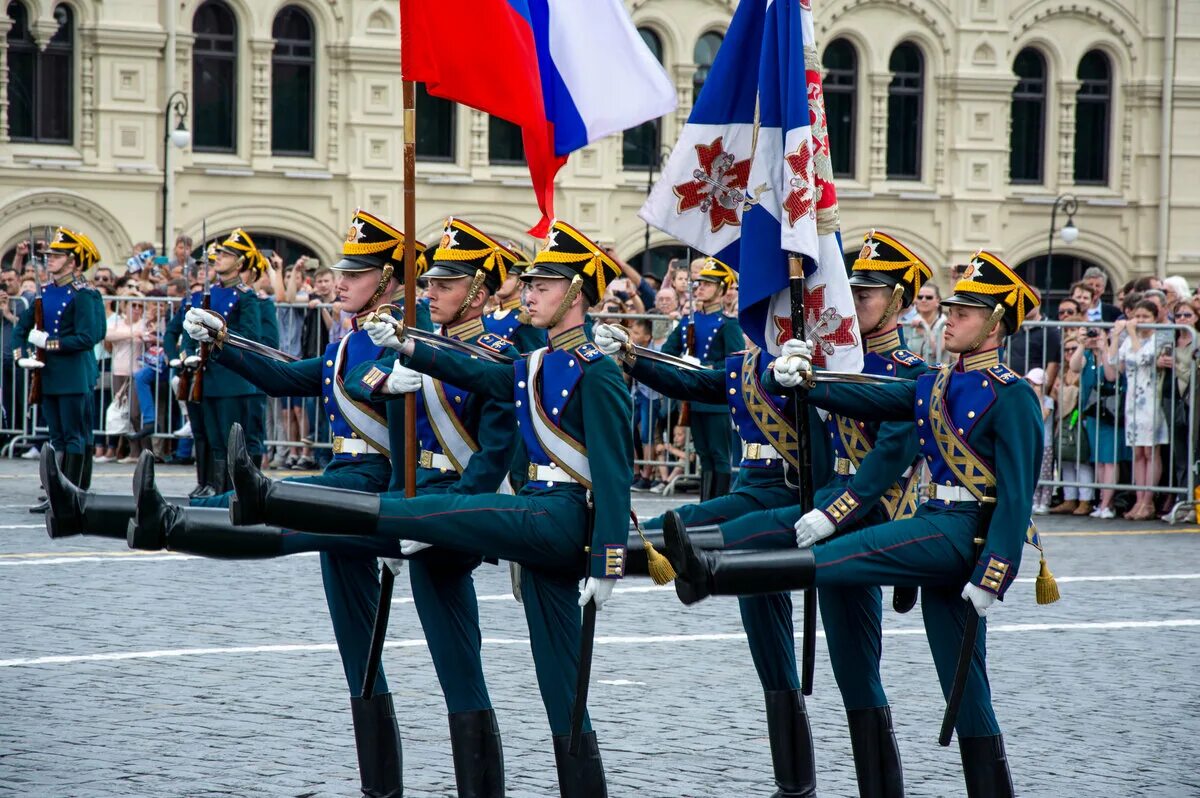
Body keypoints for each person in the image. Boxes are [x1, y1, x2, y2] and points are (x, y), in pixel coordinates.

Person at [220, 220, 630, 796]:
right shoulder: (530, 366)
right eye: (529, 283)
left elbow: (611, 475)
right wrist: (410, 348)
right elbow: (475, 376)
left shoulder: (591, 368)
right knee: (546, 680)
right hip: (483, 513)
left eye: (543, 285)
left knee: (367, 523)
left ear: (576, 293)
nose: (529, 292)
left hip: (532, 517)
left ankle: (269, 500)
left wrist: (607, 562)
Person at [39, 209, 433, 798]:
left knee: (252, 504)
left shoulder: (403, 331)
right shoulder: (354, 334)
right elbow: (288, 377)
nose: (342, 280)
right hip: (344, 475)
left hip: (371, 486)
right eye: (342, 271)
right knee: (359, 657)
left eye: (357, 272)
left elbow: (397, 398)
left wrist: (405, 511)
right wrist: (222, 344)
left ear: (389, 279)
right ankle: (381, 787)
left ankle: (116, 515)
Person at [665, 250, 1049, 798]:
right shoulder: (937, 383)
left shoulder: (1013, 396)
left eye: (964, 311)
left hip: (965, 531)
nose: (949, 318)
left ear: (996, 323)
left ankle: (716, 571)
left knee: (864, 548)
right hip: (936, 522)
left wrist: (995, 573)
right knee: (966, 693)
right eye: (952, 308)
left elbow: (1017, 494)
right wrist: (805, 381)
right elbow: (876, 396)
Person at [17, 228, 106, 508]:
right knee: (56, 434)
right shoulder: (46, 292)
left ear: (73, 261)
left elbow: (88, 337)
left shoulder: (84, 294)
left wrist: (50, 343)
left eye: (57, 255)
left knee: (74, 435)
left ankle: (71, 493)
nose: (50, 260)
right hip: (49, 374)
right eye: (50, 255)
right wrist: (23, 354)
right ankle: (60, 491)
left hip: (74, 374)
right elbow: (22, 327)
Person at [660, 257, 743, 500]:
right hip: (693, 396)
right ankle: (705, 503)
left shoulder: (728, 325)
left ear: (721, 289)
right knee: (704, 454)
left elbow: (734, 362)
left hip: (715, 398)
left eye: (708, 284)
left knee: (718, 454)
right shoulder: (688, 321)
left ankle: (718, 505)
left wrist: (706, 366)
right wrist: (684, 363)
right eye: (699, 284)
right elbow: (667, 350)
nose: (701, 288)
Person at [1107, 300, 1169, 520]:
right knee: (1138, 453)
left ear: (1154, 319)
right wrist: (1115, 336)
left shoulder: (1157, 339)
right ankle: (1139, 498)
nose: (1140, 320)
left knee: (1151, 452)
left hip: (1151, 400)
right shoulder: (1130, 340)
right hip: (1132, 401)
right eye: (1138, 316)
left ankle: (1147, 501)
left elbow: (1142, 357)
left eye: (1145, 317)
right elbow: (1114, 365)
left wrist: (1132, 334)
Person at [1049, 339, 1096, 516]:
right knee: (1066, 458)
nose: (1069, 353)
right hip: (1063, 418)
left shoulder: (1083, 368)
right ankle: (1069, 499)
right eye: (1066, 349)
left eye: (1073, 349)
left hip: (1080, 417)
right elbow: (1054, 394)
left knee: (1080, 460)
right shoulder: (1063, 370)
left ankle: (1085, 500)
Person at [482, 237, 545, 352]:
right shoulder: (487, 316)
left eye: (507, 277)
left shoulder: (526, 319)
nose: (500, 281)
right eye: (498, 276)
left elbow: (535, 360)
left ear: (520, 284)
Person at [906, 281, 946, 364]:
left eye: (929, 297)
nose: (923, 300)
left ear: (938, 301)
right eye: (920, 297)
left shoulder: (943, 323)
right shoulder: (912, 321)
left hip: (935, 374)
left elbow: (936, 353)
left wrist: (926, 330)